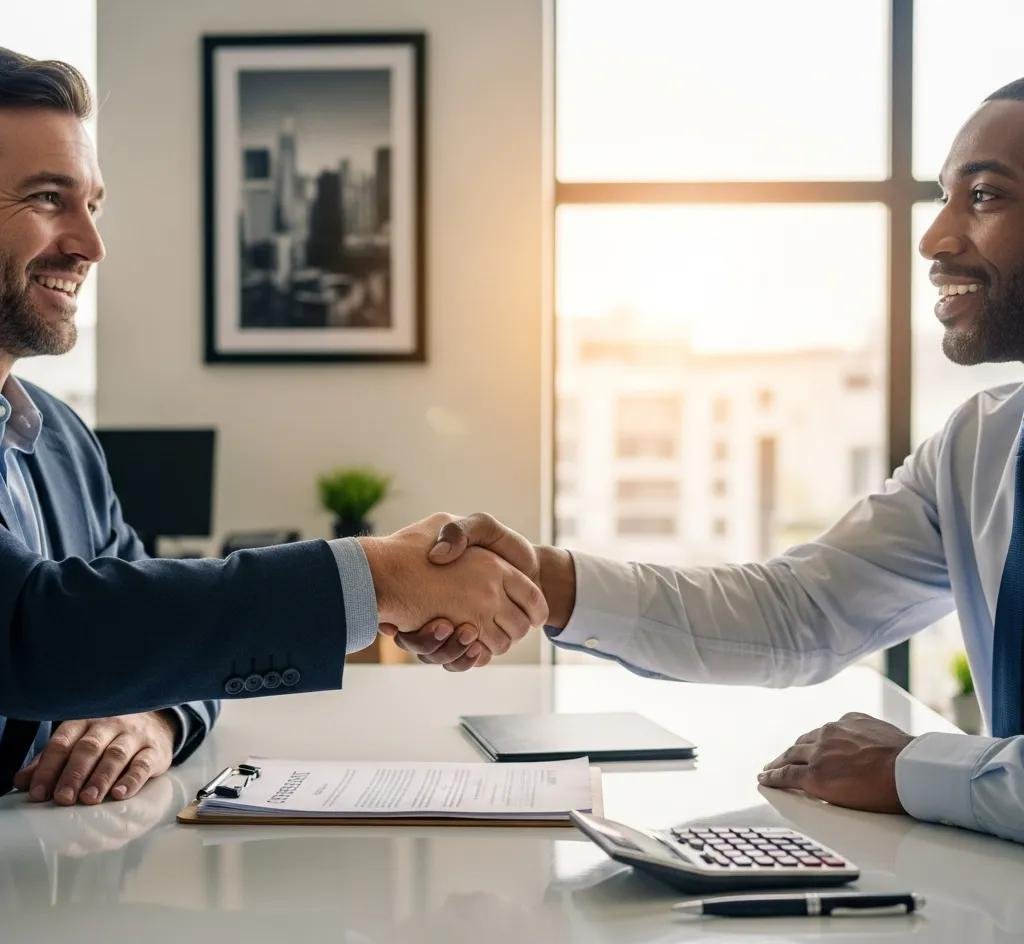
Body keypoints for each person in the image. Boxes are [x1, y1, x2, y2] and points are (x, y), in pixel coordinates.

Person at [390, 79, 1024, 846]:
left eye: (984, 196)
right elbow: (799, 614)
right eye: (944, 196)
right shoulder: (978, 447)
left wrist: (914, 769)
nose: (934, 239)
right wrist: (543, 579)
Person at [0, 48, 546, 806]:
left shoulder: (58, 437)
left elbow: (145, 625)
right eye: (47, 199)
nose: (91, 246)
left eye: (91, 205)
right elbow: (34, 627)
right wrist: (379, 575)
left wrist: (155, 715)